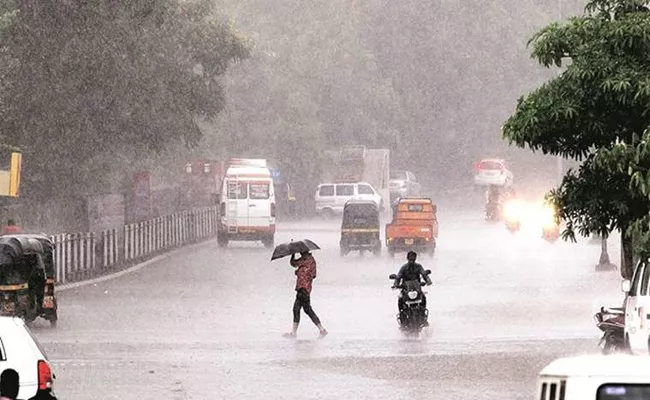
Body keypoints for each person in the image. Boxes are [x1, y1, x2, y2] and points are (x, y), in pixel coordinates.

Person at [284, 251, 328, 338]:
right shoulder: (303, 259)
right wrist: (292, 254)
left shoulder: (310, 260)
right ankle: (322, 329)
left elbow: (313, 274)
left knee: (296, 309)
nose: (300, 253)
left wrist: (302, 271)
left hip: (304, 288)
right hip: (302, 288)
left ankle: (293, 333)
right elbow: (293, 263)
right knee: (307, 310)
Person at [392, 251, 432, 326]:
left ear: (415, 259)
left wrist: (428, 281)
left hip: (417, 289)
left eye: (413, 259)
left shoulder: (419, 266)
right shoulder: (403, 267)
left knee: (423, 297)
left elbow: (424, 274)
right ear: (407, 259)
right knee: (400, 299)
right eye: (410, 259)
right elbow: (398, 276)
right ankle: (402, 317)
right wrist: (396, 284)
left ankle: (423, 317)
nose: (411, 261)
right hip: (406, 289)